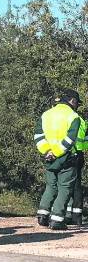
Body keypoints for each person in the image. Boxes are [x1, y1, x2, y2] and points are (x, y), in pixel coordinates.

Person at [36, 89, 83, 230]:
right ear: (72, 101)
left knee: (51, 186)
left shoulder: (46, 114)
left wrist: (47, 151)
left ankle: (42, 215)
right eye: (77, 103)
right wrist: (57, 153)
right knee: (65, 188)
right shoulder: (73, 116)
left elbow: (38, 136)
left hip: (49, 158)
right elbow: (70, 139)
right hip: (67, 158)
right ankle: (57, 219)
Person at [66, 117, 86, 226]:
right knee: (76, 185)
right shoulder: (82, 121)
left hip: (69, 153)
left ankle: (68, 214)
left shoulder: (69, 119)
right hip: (79, 153)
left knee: (66, 184)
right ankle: (76, 216)